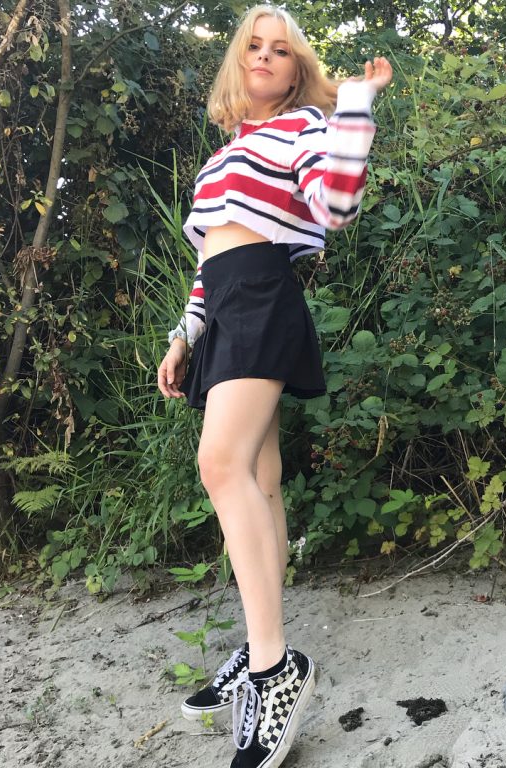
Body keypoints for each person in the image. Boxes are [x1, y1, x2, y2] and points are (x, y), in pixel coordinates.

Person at [157, 6, 392, 767]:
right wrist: (185, 334)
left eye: (280, 50)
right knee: (259, 477)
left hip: (263, 296)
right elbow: (209, 259)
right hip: (226, 305)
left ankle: (274, 668)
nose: (263, 56)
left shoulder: (305, 128)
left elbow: (337, 204)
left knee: (219, 464)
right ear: (238, 61)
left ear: (296, 71)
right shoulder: (226, 152)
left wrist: (354, 104)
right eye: (253, 46)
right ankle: (266, 645)